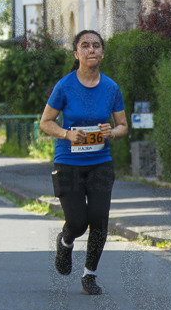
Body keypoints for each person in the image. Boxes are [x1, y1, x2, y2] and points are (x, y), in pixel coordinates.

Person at [39, 30, 128, 295]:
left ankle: (90, 275)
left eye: (96, 46)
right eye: (85, 46)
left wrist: (111, 132)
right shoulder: (65, 86)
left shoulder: (111, 87)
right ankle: (65, 243)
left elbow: (123, 125)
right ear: (77, 54)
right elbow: (45, 122)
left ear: (102, 53)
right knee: (77, 222)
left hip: (101, 162)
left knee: (99, 219)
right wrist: (67, 134)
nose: (91, 50)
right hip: (68, 162)